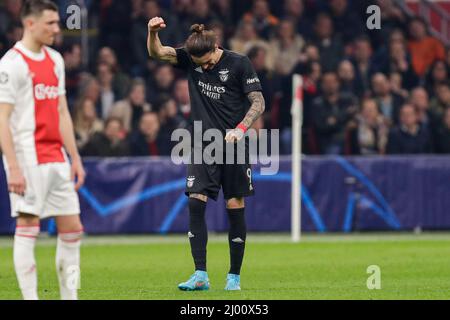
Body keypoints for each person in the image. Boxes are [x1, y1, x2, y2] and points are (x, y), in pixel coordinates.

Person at [147, 18, 265, 291]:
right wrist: (152, 32)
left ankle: (233, 277)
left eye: (209, 62)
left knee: (234, 205)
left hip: (235, 144)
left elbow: (258, 101)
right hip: (203, 143)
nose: (205, 67)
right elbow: (157, 52)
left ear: (216, 47)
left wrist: (241, 128)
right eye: (200, 65)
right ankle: (200, 274)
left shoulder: (239, 63)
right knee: (195, 201)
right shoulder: (191, 58)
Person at [0, 0, 84, 300]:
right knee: (28, 225)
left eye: (57, 23)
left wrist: (74, 158)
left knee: (73, 228)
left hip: (57, 158)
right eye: (50, 23)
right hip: (27, 157)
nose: (57, 29)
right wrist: (13, 166)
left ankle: (69, 296)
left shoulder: (55, 59)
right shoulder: (11, 64)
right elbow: (3, 119)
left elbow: (62, 111)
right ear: (30, 24)